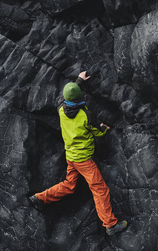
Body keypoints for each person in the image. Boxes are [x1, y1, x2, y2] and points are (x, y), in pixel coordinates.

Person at [29, 71, 127, 236]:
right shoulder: (85, 116)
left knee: (70, 185)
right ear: (79, 98)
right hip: (84, 160)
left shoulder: (61, 108)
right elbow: (98, 132)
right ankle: (110, 224)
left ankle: (39, 198)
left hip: (71, 157)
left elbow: (63, 96)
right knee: (100, 189)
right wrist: (104, 128)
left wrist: (78, 80)